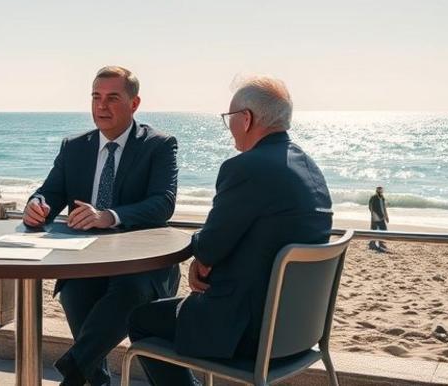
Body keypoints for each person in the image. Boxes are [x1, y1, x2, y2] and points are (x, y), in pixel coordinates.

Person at [128, 76, 333, 386]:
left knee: (141, 320)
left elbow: (210, 246)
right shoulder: (309, 167)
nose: (229, 127)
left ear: (246, 119)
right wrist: (208, 256)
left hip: (247, 332)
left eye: (230, 118)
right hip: (298, 331)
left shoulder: (246, 167)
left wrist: (202, 257)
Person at [23, 66, 179, 386]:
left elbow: (163, 203)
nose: (101, 106)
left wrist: (110, 216)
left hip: (139, 265)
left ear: (134, 103)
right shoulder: (74, 146)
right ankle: (84, 372)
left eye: (112, 98)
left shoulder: (159, 145)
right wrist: (36, 206)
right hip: (86, 262)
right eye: (96, 97)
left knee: (129, 291)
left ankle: (73, 372)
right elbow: (50, 192)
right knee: (73, 292)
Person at [368, 186, 389, 251]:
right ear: (377, 190)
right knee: (374, 229)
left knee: (383, 229)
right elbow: (370, 207)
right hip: (375, 215)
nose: (381, 191)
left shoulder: (382, 198)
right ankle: (372, 243)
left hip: (382, 216)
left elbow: (384, 208)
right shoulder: (373, 197)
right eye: (379, 189)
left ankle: (380, 241)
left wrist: (386, 216)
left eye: (381, 190)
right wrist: (373, 215)